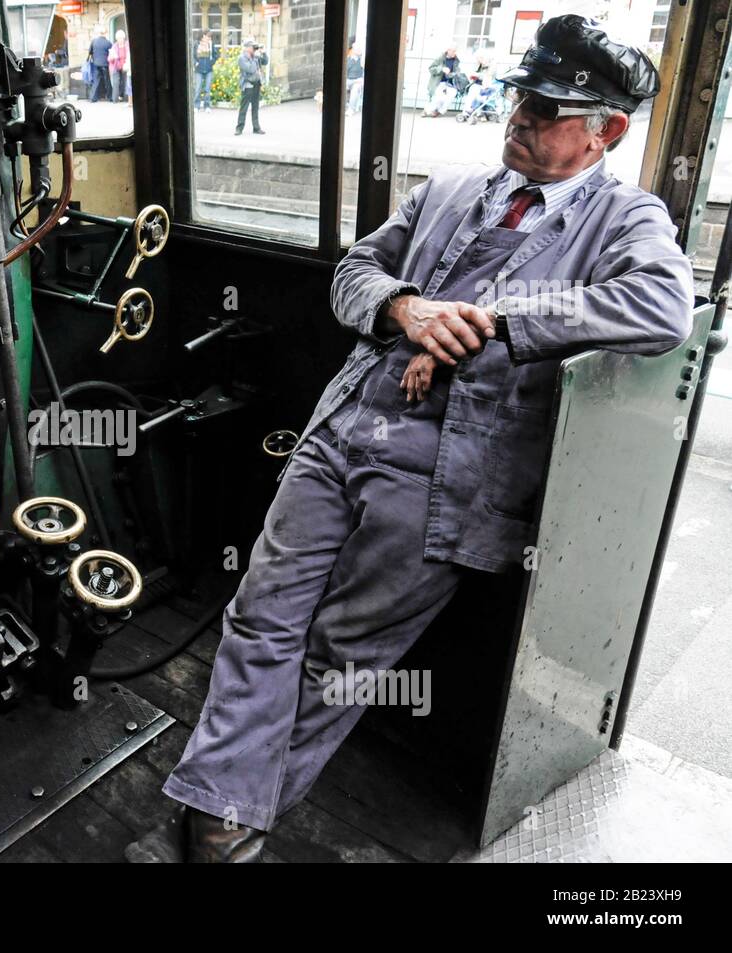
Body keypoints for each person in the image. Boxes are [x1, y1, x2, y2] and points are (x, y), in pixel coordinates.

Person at [129, 14, 691, 863]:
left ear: (607, 130)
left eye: (546, 112)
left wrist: (497, 319)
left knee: (345, 650)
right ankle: (223, 817)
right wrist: (405, 309)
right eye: (520, 101)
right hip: (345, 424)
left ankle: (232, 811)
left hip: (448, 479)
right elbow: (354, 272)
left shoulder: (625, 217)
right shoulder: (452, 187)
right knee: (259, 616)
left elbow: (661, 306)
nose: (521, 121)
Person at [235, 39, 268, 135]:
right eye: (252, 47)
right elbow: (250, 69)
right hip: (247, 84)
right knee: (244, 107)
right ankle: (239, 128)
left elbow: (265, 62)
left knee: (255, 107)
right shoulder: (242, 58)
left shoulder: (255, 56)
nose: (254, 49)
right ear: (247, 48)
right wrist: (254, 58)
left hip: (257, 83)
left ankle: (256, 128)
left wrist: (263, 53)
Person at [422, 45, 462, 116]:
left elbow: (457, 72)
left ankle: (439, 111)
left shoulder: (456, 60)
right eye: (453, 51)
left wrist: (452, 74)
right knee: (439, 97)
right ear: (448, 50)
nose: (455, 53)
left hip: (450, 83)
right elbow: (431, 69)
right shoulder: (440, 58)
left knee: (452, 94)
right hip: (439, 82)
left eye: (455, 51)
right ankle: (427, 111)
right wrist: (442, 69)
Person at [193, 29, 219, 112]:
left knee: (207, 89)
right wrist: (195, 63)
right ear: (203, 36)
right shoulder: (197, 44)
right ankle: (196, 106)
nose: (209, 38)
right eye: (208, 36)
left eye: (210, 36)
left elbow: (216, 55)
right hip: (199, 70)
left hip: (208, 69)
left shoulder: (211, 44)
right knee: (198, 89)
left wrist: (212, 62)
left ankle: (207, 106)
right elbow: (192, 55)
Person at [88, 26, 113, 103]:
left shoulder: (94, 41)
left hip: (96, 63)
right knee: (107, 81)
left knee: (96, 81)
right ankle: (110, 97)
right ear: (105, 33)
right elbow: (111, 54)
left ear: (99, 33)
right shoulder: (108, 43)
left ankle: (93, 98)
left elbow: (90, 52)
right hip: (105, 64)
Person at [109, 29, 130, 102]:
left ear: (124, 38)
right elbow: (109, 59)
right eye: (118, 38)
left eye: (121, 38)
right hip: (115, 66)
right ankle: (115, 99)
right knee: (116, 83)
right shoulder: (114, 46)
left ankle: (124, 98)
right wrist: (112, 57)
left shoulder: (127, 45)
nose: (120, 40)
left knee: (125, 83)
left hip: (125, 66)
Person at [346, 42, 365, 114]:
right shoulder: (348, 59)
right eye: (357, 49)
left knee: (355, 89)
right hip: (348, 80)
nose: (359, 51)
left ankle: (351, 109)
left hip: (358, 80)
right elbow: (345, 71)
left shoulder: (362, 60)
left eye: (359, 49)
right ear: (353, 50)